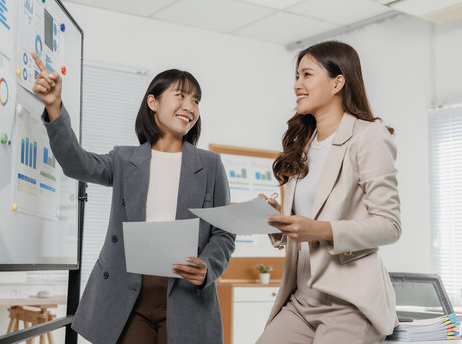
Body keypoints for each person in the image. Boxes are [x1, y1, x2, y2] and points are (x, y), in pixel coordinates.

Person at [31, 52, 236, 344]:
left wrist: (208, 266)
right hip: (127, 299)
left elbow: (223, 233)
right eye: (180, 96)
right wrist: (54, 107)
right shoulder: (125, 159)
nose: (189, 107)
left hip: (185, 298)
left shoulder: (210, 165)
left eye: (195, 101)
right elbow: (77, 164)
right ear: (153, 102)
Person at [257, 41, 401, 344]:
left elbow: (389, 226)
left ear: (337, 82)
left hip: (349, 302)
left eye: (307, 75)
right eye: (296, 77)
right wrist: (275, 220)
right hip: (302, 299)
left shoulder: (368, 137)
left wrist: (319, 230)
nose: (297, 85)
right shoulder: (303, 146)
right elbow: (305, 223)